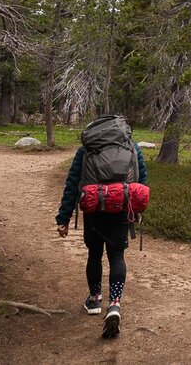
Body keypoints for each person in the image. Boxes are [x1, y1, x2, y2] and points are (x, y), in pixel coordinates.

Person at [56, 139, 148, 339]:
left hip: (93, 210)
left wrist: (63, 218)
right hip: (122, 209)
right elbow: (142, 179)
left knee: (94, 253)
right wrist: (138, 209)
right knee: (117, 256)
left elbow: (72, 185)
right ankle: (114, 303)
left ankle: (95, 299)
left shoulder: (86, 149)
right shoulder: (132, 147)